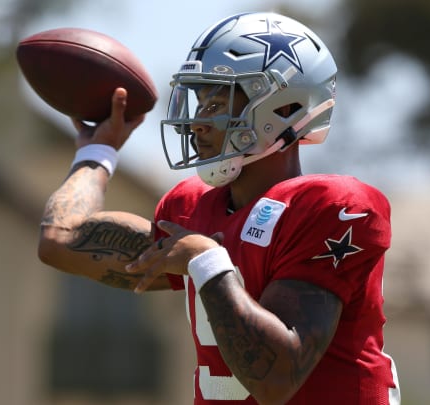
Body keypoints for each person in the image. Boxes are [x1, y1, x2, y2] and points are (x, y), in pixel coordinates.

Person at [38, 11, 400, 404]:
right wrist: (97, 151)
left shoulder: (330, 208)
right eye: (199, 101)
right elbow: (60, 240)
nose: (196, 123)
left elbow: (276, 378)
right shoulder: (192, 210)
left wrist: (207, 260)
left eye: (217, 102)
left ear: (282, 108)